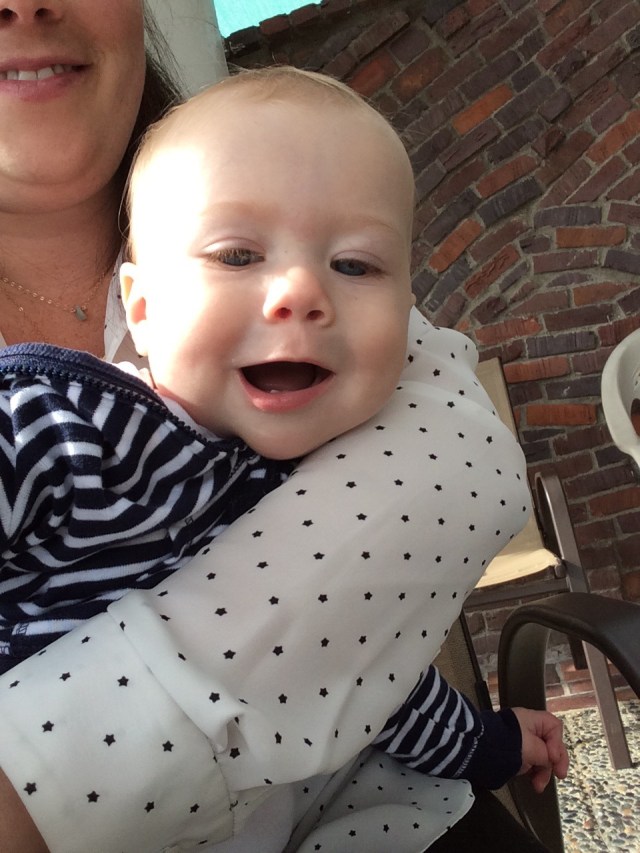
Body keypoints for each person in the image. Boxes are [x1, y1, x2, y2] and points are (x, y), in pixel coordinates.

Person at [0, 65, 566, 853]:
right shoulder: (67, 423)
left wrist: (490, 744)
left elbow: (356, 674)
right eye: (237, 256)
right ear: (141, 309)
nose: (301, 290)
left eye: (355, 265)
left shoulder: (325, 462)